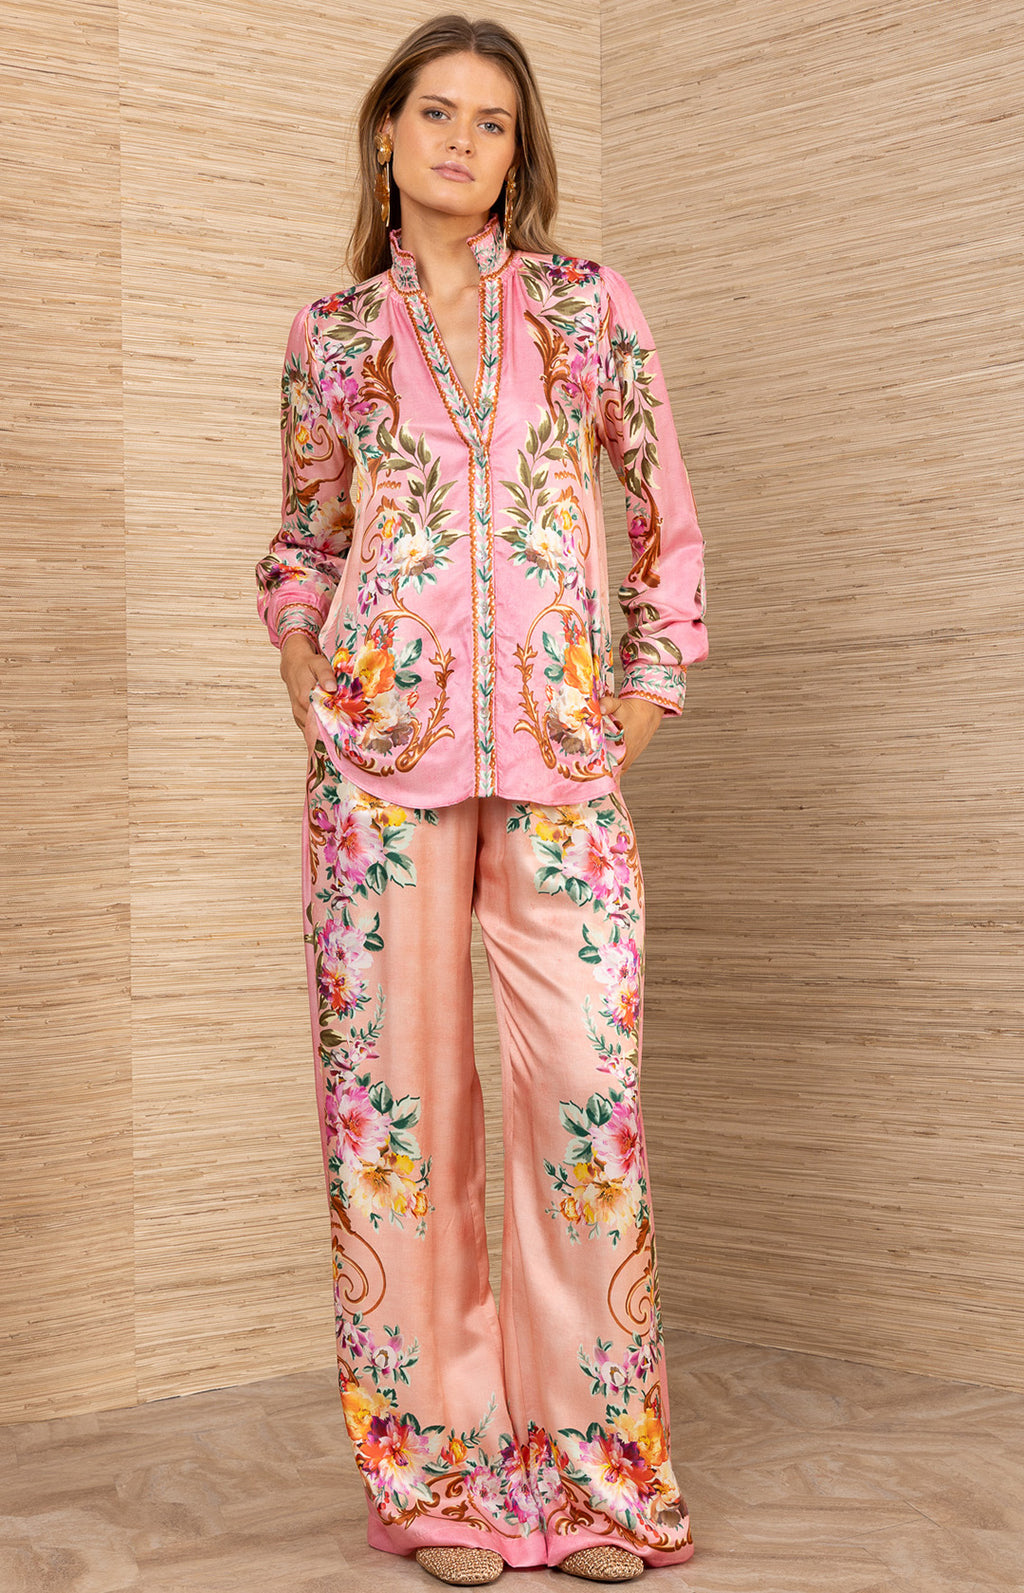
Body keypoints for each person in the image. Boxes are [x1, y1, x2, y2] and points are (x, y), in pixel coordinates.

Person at [256, 13, 707, 1587]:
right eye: (436, 112)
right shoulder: (330, 335)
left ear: (520, 154)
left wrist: (639, 696)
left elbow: (662, 521)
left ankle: (596, 1480)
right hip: (378, 770)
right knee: (397, 1123)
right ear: (387, 135)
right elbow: (304, 535)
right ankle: (437, 1473)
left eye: (492, 120)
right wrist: (303, 655)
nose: (461, 140)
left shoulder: (588, 311)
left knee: (583, 1105)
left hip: (561, 763)